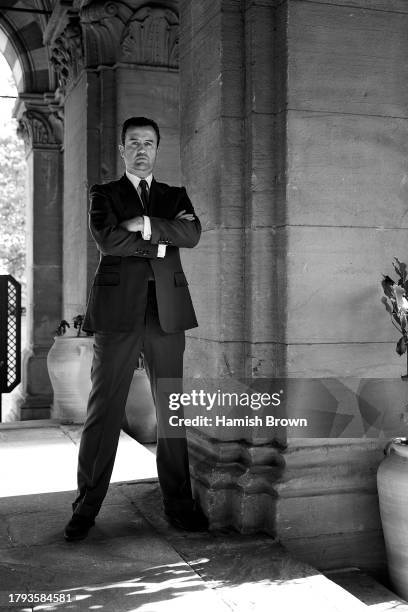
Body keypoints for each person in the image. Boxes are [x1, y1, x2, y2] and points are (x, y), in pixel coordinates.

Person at [64, 116, 207, 541]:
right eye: (134, 143)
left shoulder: (174, 194)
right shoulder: (104, 194)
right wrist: (165, 237)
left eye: (149, 143)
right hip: (117, 314)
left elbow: (194, 233)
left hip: (167, 314)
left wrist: (142, 225)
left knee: (172, 412)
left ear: (157, 149)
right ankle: (86, 507)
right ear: (122, 150)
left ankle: (179, 503)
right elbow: (108, 241)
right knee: (104, 411)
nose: (141, 150)